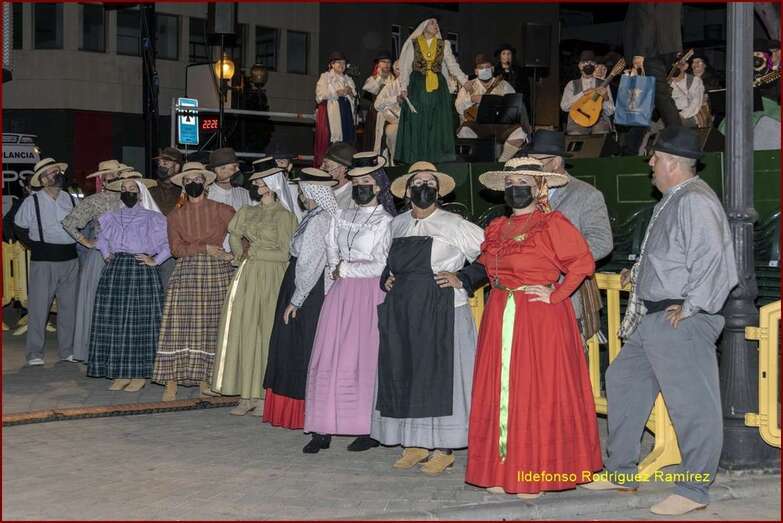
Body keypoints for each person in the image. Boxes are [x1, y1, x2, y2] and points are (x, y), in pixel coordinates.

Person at [583, 128, 738, 516]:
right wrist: (639, 274)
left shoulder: (695, 200)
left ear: (671, 163)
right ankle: (621, 472)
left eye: (654, 158)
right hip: (655, 317)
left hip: (679, 319)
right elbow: (674, 256)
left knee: (692, 405)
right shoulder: (676, 199)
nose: (650, 163)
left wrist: (692, 307)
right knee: (622, 379)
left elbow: (715, 262)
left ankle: (694, 490)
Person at [466, 157, 602, 498]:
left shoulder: (552, 223)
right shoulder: (497, 227)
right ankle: (501, 470)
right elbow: (485, 266)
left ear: (539, 187)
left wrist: (556, 294)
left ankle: (535, 472)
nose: (516, 189)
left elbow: (582, 263)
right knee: (501, 392)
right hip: (500, 313)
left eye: (523, 183)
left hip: (539, 318)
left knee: (535, 392)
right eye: (510, 184)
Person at [371, 161, 484, 475]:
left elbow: (491, 253)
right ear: (407, 191)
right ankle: (416, 443)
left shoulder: (455, 224)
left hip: (442, 309)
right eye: (418, 182)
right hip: (403, 311)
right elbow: (387, 261)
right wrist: (386, 278)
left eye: (430, 183)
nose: (424, 187)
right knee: (406, 373)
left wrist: (464, 277)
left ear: (438, 191)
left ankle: (443, 449)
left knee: (440, 378)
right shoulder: (396, 225)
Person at [303, 153, 395, 454]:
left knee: (364, 360)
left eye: (365, 182)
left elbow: (382, 263)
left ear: (378, 186)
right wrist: (336, 270)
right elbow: (331, 247)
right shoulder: (341, 215)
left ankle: (367, 427)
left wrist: (345, 269)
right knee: (329, 357)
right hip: (341, 293)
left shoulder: (386, 221)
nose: (359, 187)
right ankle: (323, 426)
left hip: (370, 294)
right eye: (355, 182)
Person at [210, 163, 298, 415]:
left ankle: (262, 394)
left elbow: (286, 253)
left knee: (265, 331)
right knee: (244, 329)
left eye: (263, 182)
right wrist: (240, 254)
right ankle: (245, 393)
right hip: (248, 274)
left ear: (274, 186)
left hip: (272, 276)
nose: (258, 185)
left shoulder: (285, 216)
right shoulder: (247, 211)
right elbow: (233, 234)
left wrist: (255, 253)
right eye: (257, 182)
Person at [152, 162, 235, 401]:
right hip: (187, 272)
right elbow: (176, 249)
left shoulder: (222, 210)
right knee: (177, 326)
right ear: (183, 185)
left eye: (197, 179)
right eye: (188, 181)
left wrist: (235, 255)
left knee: (211, 326)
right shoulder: (175, 215)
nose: (193, 184)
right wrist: (204, 247)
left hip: (216, 273)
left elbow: (243, 234)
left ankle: (205, 380)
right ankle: (171, 381)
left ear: (205, 182)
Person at [263, 168, 339, 429]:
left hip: (308, 288)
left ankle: (302, 410)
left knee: (299, 344)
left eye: (304, 190)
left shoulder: (320, 220)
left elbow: (310, 263)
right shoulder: (314, 216)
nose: (301, 195)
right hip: (299, 282)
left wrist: (297, 299)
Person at [522, 130, 613, 339]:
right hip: (528, 297)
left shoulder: (586, 194)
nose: (530, 167)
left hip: (567, 295)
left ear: (556, 162)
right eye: (528, 161)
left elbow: (602, 242)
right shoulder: (525, 193)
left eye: (536, 162)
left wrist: (559, 257)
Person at [87, 176, 169, 392]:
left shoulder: (153, 218)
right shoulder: (111, 217)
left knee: (139, 322)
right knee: (114, 320)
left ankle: (139, 374)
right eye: (123, 188)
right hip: (116, 270)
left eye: (132, 188)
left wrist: (155, 260)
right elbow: (102, 240)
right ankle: (121, 372)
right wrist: (107, 254)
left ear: (140, 193)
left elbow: (169, 243)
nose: (127, 191)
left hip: (141, 269)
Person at [62, 160, 134, 362]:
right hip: (101, 258)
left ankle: (122, 352)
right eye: (107, 175)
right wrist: (87, 241)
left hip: (128, 255)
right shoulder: (94, 200)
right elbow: (69, 222)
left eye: (115, 174)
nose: (112, 178)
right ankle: (95, 352)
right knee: (97, 305)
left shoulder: (133, 197)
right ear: (102, 179)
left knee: (124, 305)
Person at [13, 158, 79, 366]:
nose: (58, 174)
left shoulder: (71, 199)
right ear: (42, 180)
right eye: (52, 172)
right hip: (43, 261)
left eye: (58, 170)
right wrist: (37, 246)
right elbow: (19, 228)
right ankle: (35, 354)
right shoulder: (31, 202)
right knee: (39, 309)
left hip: (70, 259)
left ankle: (67, 351)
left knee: (69, 308)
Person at [395, 18, 468, 164]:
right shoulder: (413, 43)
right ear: (423, 25)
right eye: (432, 23)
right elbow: (406, 68)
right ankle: (417, 157)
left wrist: (464, 81)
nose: (436, 26)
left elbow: (452, 65)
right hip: (417, 86)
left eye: (437, 23)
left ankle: (437, 157)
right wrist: (403, 87)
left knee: (437, 122)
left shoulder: (443, 44)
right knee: (418, 120)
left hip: (438, 88)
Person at [455, 53, 526, 162]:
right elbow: (458, 108)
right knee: (464, 130)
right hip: (477, 126)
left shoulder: (504, 85)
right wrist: (472, 99)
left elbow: (514, 105)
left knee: (521, 131)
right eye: (481, 68)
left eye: (487, 67)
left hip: (500, 126)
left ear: (492, 69)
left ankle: (501, 162)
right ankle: (482, 162)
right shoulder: (468, 86)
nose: (484, 70)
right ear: (476, 71)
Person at [623, 3, 683, 128]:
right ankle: (634, 139)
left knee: (660, 97)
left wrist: (640, 53)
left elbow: (647, 20)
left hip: (649, 51)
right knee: (643, 99)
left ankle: (678, 135)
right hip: (664, 48)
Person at [150, 146, 186, 288]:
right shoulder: (149, 190)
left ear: (177, 167)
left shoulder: (184, 192)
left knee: (168, 292)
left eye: (166, 162)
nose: (161, 165)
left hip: (172, 252)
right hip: (150, 249)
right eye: (160, 162)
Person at [314, 52, 357, 167]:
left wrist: (351, 93)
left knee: (347, 141)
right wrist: (337, 93)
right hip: (332, 113)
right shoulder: (325, 77)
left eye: (344, 63)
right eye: (339, 62)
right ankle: (330, 167)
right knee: (333, 142)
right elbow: (320, 95)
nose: (342, 65)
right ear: (332, 64)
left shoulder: (348, 79)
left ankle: (345, 167)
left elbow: (355, 98)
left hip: (347, 113)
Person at [561, 50, 614, 135]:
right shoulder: (572, 84)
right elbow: (564, 106)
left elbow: (610, 112)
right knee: (576, 135)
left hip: (599, 121)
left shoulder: (603, 84)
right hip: (577, 120)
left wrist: (606, 98)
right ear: (580, 66)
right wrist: (583, 94)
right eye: (585, 62)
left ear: (595, 66)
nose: (588, 64)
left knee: (600, 134)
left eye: (591, 62)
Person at [362, 51, 395, 151]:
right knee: (373, 139)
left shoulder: (394, 80)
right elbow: (369, 90)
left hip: (390, 114)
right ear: (378, 64)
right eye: (383, 62)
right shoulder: (372, 79)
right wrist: (379, 78)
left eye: (388, 62)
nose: (386, 64)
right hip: (375, 115)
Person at [373, 60, 402, 165]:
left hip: (412, 123)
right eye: (399, 69)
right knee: (393, 133)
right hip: (394, 122)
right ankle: (394, 165)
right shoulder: (390, 87)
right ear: (396, 71)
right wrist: (395, 99)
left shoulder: (414, 86)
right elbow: (377, 104)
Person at [669, 59, 705, 128]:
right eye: (673, 64)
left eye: (678, 64)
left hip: (688, 116)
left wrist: (681, 115)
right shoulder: (666, 82)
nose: (675, 66)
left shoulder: (694, 81)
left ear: (685, 66)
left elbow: (695, 104)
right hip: (669, 115)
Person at [321, 142, 356, 209]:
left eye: (326, 166)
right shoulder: (323, 189)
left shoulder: (352, 199)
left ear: (344, 169)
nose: (321, 168)